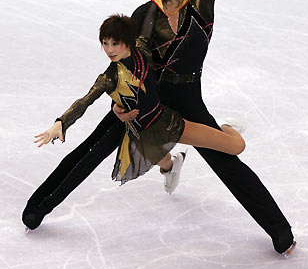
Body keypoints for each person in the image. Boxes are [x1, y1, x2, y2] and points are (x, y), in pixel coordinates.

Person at [22, 0, 296, 257]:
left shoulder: (202, 2)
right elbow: (128, 64)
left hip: (186, 94)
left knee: (226, 159)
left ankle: (280, 230)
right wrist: (125, 103)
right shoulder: (144, 15)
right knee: (95, 146)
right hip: (147, 95)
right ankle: (38, 206)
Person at [33, 15, 245, 190]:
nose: (109, 49)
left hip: (166, 124)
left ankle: (223, 127)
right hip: (141, 135)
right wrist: (61, 122)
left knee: (237, 147)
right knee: (163, 160)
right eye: (105, 43)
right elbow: (84, 102)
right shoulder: (109, 78)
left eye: (115, 43)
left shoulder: (142, 50)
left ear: (128, 42)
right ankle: (173, 166)